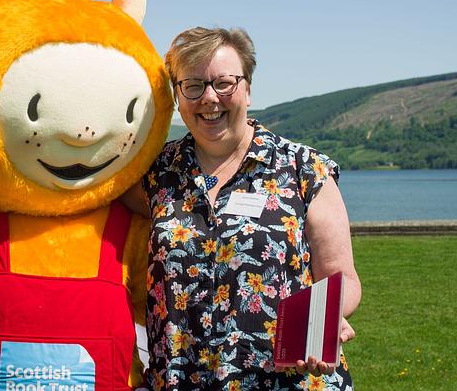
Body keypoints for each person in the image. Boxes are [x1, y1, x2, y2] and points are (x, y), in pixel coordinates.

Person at [122, 27, 361, 390]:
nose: (209, 98)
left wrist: (327, 320)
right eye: (193, 85)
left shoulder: (303, 170)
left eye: (223, 83)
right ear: (177, 96)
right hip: (181, 381)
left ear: (247, 88)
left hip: (288, 380)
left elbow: (341, 279)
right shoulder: (154, 175)